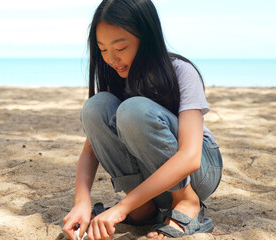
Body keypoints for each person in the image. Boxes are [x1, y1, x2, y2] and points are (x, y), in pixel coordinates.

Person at [62, 0, 223, 239]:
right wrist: (81, 201)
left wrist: (120, 208)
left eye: (120, 48)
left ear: (146, 39)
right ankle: (142, 208)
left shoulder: (180, 71)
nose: (111, 59)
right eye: (103, 50)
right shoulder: (117, 77)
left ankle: (186, 203)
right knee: (95, 107)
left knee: (133, 110)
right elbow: (91, 151)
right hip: (152, 182)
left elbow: (190, 158)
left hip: (199, 172)